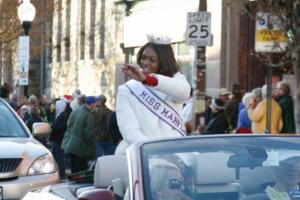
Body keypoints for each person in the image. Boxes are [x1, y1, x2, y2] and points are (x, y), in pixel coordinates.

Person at [115, 35, 190, 154]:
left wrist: (147, 80)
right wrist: (156, 152)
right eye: (143, 58)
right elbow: (130, 131)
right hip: (140, 155)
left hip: (174, 154)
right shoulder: (127, 89)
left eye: (152, 60)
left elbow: (184, 92)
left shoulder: (175, 81)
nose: (145, 63)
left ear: (163, 61)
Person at [61, 96, 97, 173]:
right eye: (95, 105)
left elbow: (68, 126)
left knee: (73, 171)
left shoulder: (75, 111)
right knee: (80, 173)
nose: (95, 107)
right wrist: (92, 152)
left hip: (70, 145)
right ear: (93, 104)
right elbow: (89, 136)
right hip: (81, 148)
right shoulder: (89, 116)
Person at [49, 100, 69, 179]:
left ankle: (61, 174)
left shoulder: (63, 116)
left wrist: (52, 126)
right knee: (56, 156)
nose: (56, 107)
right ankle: (57, 173)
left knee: (59, 157)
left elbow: (61, 128)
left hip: (59, 139)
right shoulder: (59, 115)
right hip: (56, 139)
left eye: (57, 105)